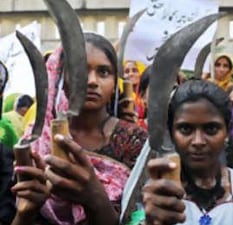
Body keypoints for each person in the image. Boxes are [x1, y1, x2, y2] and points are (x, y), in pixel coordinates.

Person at [13, 32, 147, 225]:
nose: (92, 81)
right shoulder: (35, 141)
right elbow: (20, 212)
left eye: (103, 72)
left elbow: (143, 216)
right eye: (80, 71)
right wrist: (25, 212)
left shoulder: (135, 141)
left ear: (114, 81)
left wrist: (94, 196)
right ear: (61, 79)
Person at [139, 80, 233, 225]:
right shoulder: (157, 195)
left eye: (211, 129)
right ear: (172, 133)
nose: (198, 141)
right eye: (185, 129)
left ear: (227, 131)